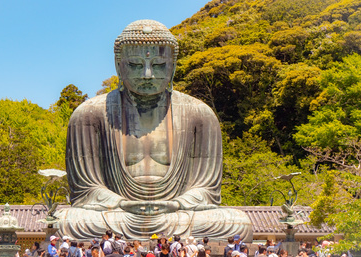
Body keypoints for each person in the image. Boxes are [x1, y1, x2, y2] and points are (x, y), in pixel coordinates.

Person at [54, 19, 252, 241]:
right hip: (119, 214)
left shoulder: (200, 114)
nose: (147, 74)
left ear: (173, 66)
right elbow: (86, 189)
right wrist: (121, 203)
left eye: (158, 65)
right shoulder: (89, 114)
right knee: (67, 221)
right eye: (135, 65)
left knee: (238, 223)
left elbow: (206, 189)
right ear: (119, 65)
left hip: (177, 213)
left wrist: (176, 203)